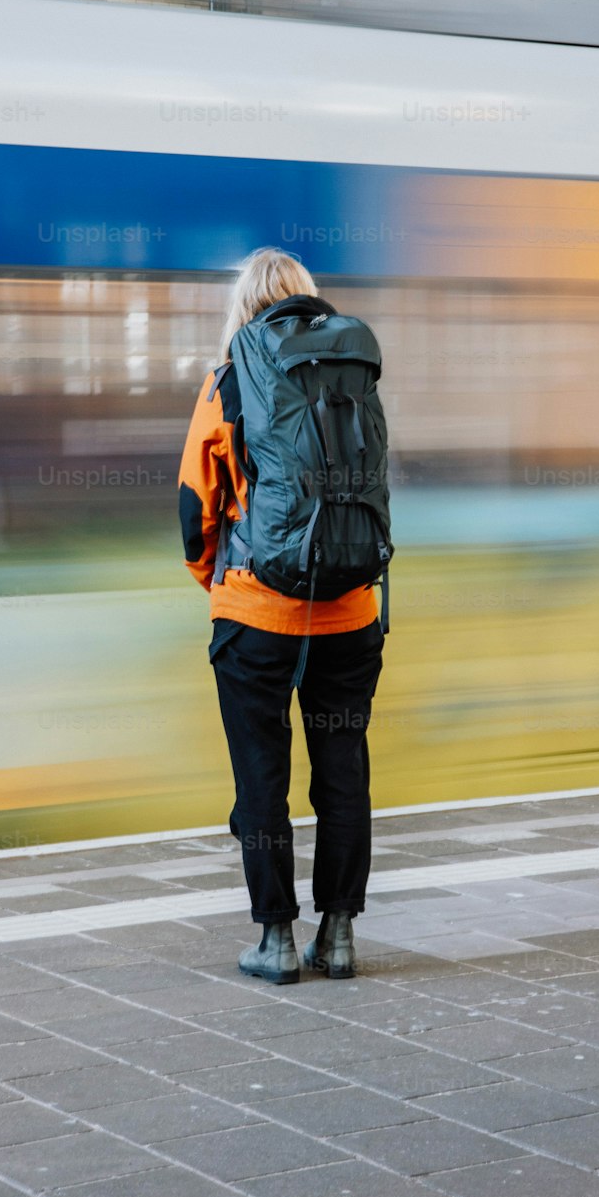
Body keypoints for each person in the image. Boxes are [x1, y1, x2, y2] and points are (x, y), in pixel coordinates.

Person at [177, 248, 387, 985]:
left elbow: (193, 510)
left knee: (261, 778)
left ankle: (274, 939)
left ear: (244, 308)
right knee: (343, 773)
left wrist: (225, 581)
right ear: (308, 302)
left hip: (256, 617)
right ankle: (338, 936)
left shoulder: (230, 379)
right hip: (353, 611)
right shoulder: (353, 376)